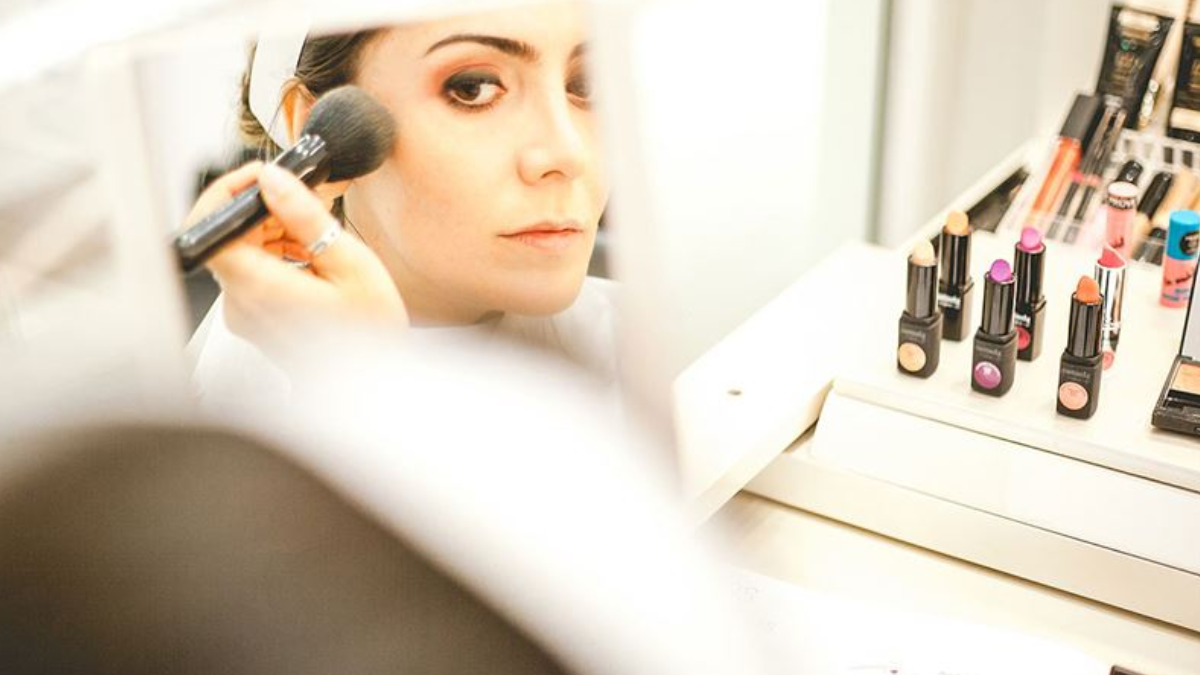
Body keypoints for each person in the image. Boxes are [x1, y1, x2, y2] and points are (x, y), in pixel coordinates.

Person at [189, 1, 616, 403]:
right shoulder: (243, 411)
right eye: (473, 88)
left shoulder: (644, 351)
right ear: (313, 130)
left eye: (587, 85)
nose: (568, 154)